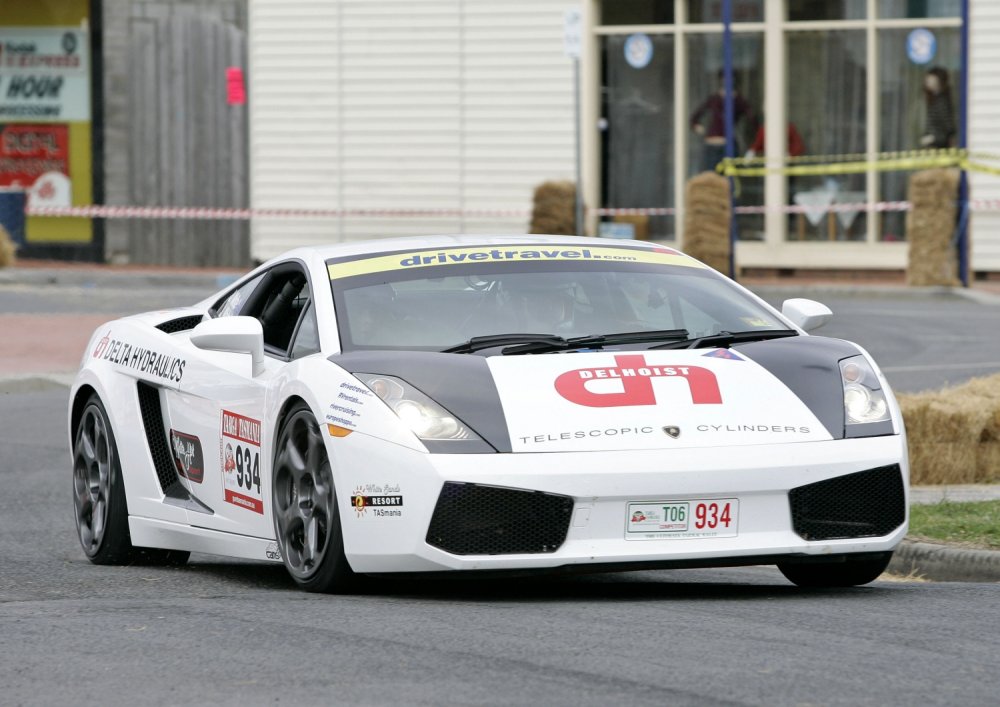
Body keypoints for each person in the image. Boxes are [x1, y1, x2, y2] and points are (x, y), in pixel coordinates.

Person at [690, 70, 753, 172]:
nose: (727, 82)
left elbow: (752, 119)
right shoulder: (714, 99)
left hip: (727, 144)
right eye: (724, 79)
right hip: (711, 144)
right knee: (710, 176)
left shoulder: (739, 100)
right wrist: (697, 126)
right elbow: (695, 116)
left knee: (729, 178)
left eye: (730, 79)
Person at [920, 66, 956, 150]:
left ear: (938, 81)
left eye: (930, 80)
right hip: (932, 143)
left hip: (938, 145)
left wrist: (932, 138)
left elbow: (947, 127)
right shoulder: (933, 99)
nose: (927, 82)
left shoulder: (942, 101)